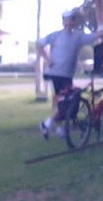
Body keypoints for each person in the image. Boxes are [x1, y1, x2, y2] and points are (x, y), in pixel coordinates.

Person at [37, 9, 97, 139]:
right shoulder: (55, 35)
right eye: (66, 20)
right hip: (56, 73)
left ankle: (58, 127)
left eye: (71, 20)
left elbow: (94, 36)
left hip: (67, 75)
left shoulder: (78, 36)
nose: (69, 23)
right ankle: (49, 124)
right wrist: (48, 59)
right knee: (67, 99)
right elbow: (39, 45)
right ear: (63, 22)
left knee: (63, 101)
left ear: (74, 22)